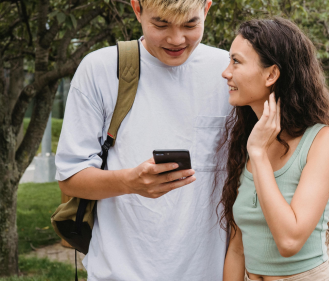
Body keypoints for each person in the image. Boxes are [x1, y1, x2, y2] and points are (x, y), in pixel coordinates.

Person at [55, 0, 232, 280]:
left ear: (207, 9)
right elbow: (70, 177)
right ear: (137, 9)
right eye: (161, 24)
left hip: (208, 272)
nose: (176, 39)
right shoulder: (100, 68)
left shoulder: (229, 71)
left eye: (190, 24)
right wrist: (129, 182)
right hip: (118, 272)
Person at [218, 18, 329, 281]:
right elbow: (237, 248)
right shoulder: (247, 140)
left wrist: (258, 155)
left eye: (236, 61)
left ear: (271, 74)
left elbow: (289, 241)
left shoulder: (324, 140)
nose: (226, 72)